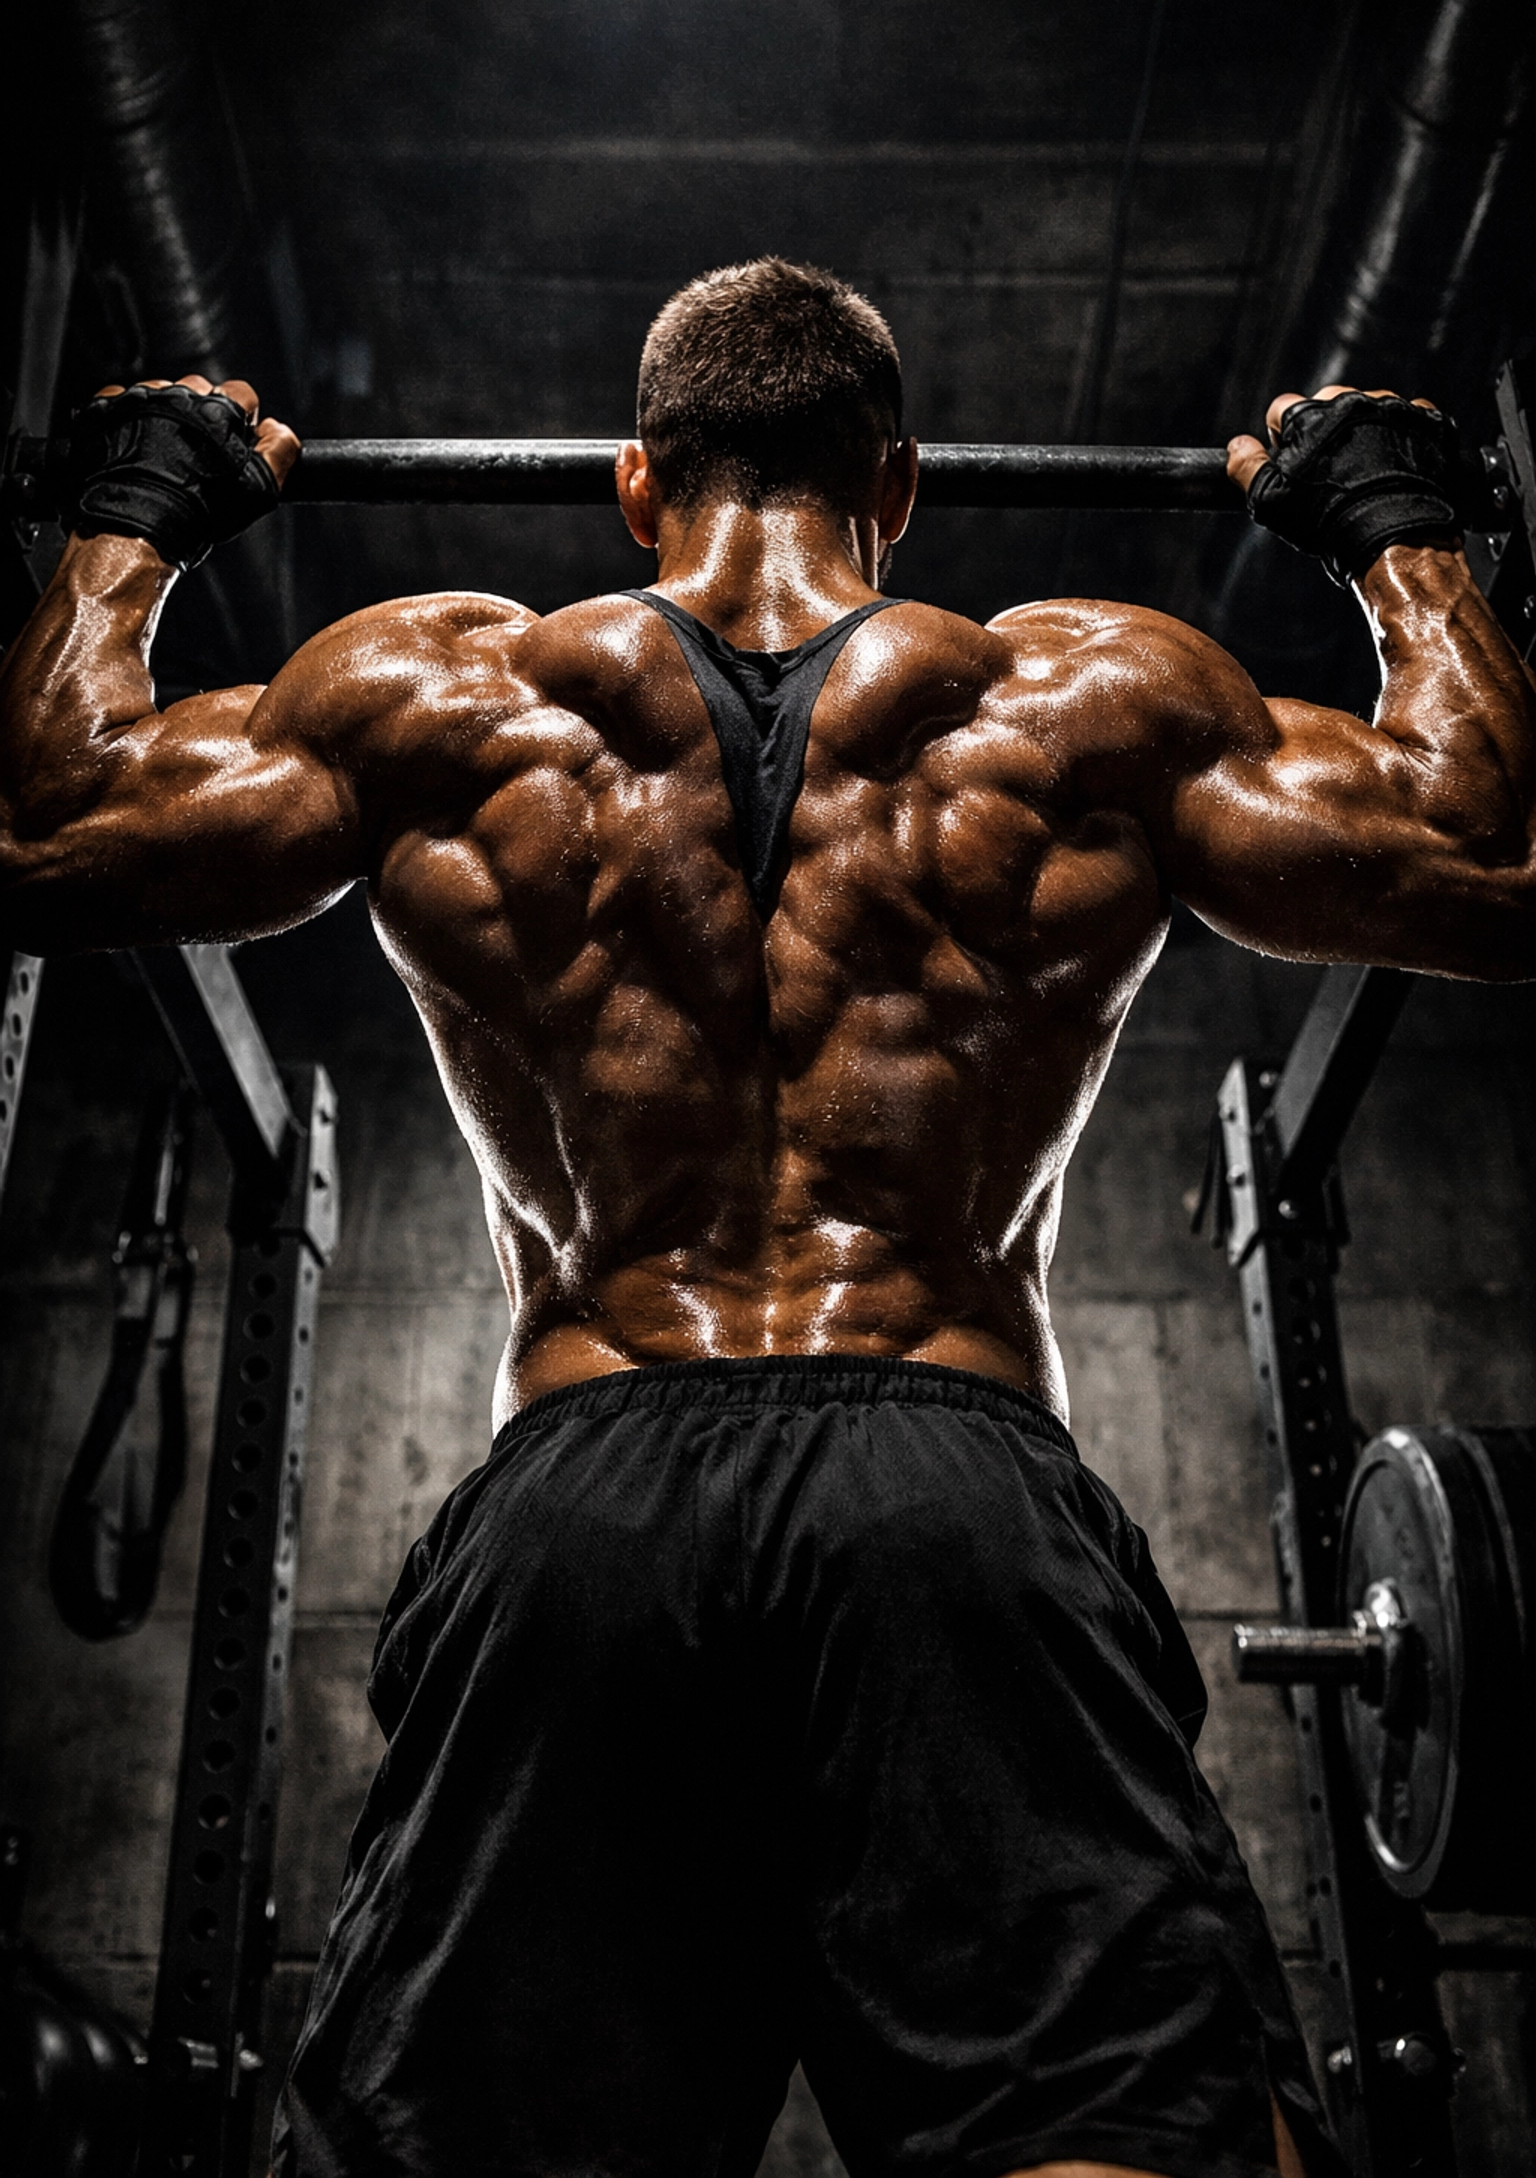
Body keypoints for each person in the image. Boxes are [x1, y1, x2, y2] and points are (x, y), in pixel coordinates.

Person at [3, 258, 1530, 2178]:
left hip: (585, 1497)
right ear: (896, 486)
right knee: (1120, 2139)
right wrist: (1397, 540)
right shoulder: (1086, 707)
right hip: (952, 1492)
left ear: (637, 484)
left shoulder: (439, 700)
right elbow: (1494, 850)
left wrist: (132, 522)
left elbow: (42, 831)